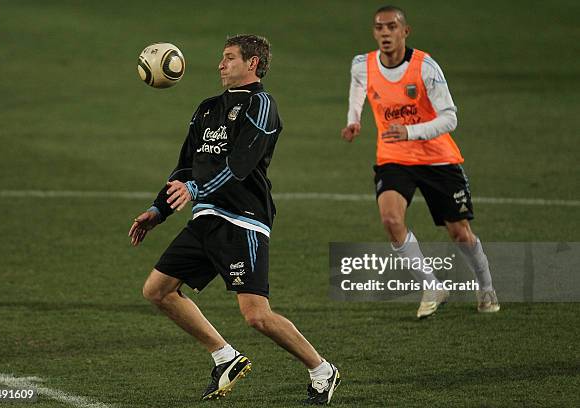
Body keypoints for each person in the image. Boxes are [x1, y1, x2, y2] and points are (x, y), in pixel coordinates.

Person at [129, 34, 340, 404]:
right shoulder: (207, 108)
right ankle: (224, 356)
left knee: (257, 316)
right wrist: (158, 210)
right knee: (157, 291)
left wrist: (197, 191)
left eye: (229, 58)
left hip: (243, 220)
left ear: (252, 63)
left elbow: (241, 165)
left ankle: (322, 369)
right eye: (222, 58)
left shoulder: (261, 105)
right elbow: (184, 167)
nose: (220, 65)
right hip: (206, 219)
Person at [341, 6, 500, 318]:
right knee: (390, 220)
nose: (385, 33)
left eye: (391, 27)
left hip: (437, 159)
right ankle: (431, 284)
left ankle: (486, 285)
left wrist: (410, 131)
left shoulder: (425, 66)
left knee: (459, 233)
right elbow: (359, 89)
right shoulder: (362, 64)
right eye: (379, 28)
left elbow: (450, 117)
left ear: (405, 31)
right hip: (393, 157)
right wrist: (353, 120)